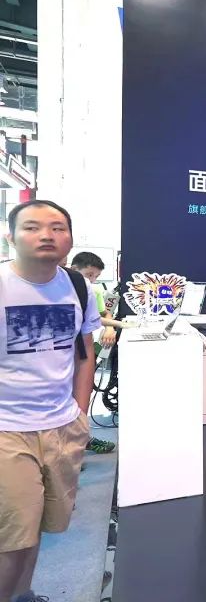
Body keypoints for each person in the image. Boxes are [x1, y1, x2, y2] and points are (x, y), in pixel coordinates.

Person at [1, 200, 101, 602]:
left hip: (61, 426)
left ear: (70, 238)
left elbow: (85, 352)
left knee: (39, 524)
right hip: (8, 430)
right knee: (12, 536)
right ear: (11, 236)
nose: (46, 235)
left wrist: (79, 412)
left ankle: (22, 594)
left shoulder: (77, 285)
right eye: (32, 227)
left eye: (57, 227)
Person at [70, 251, 120, 455]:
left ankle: (80, 440)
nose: (91, 280)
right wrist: (119, 324)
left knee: (81, 393)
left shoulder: (92, 291)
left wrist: (111, 326)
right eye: (89, 275)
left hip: (82, 349)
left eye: (95, 276)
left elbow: (101, 314)